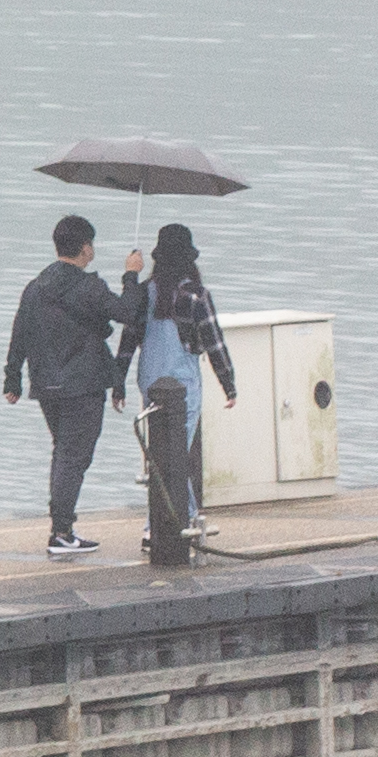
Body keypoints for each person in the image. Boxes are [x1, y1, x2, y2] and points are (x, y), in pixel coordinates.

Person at [2, 216, 128, 560]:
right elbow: (127, 312)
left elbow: (20, 333)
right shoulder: (90, 288)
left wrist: (12, 377)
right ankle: (60, 531)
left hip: (45, 384)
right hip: (83, 385)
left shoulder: (36, 286)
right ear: (85, 247)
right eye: (92, 245)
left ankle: (63, 528)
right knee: (74, 456)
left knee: (63, 452)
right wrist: (131, 274)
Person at [115, 224, 239, 534]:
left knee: (160, 451)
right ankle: (160, 522)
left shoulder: (144, 293)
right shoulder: (196, 295)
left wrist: (117, 382)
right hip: (183, 381)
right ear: (189, 259)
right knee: (177, 452)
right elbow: (214, 343)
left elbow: (128, 340)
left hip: (150, 378)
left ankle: (186, 515)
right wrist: (228, 384)